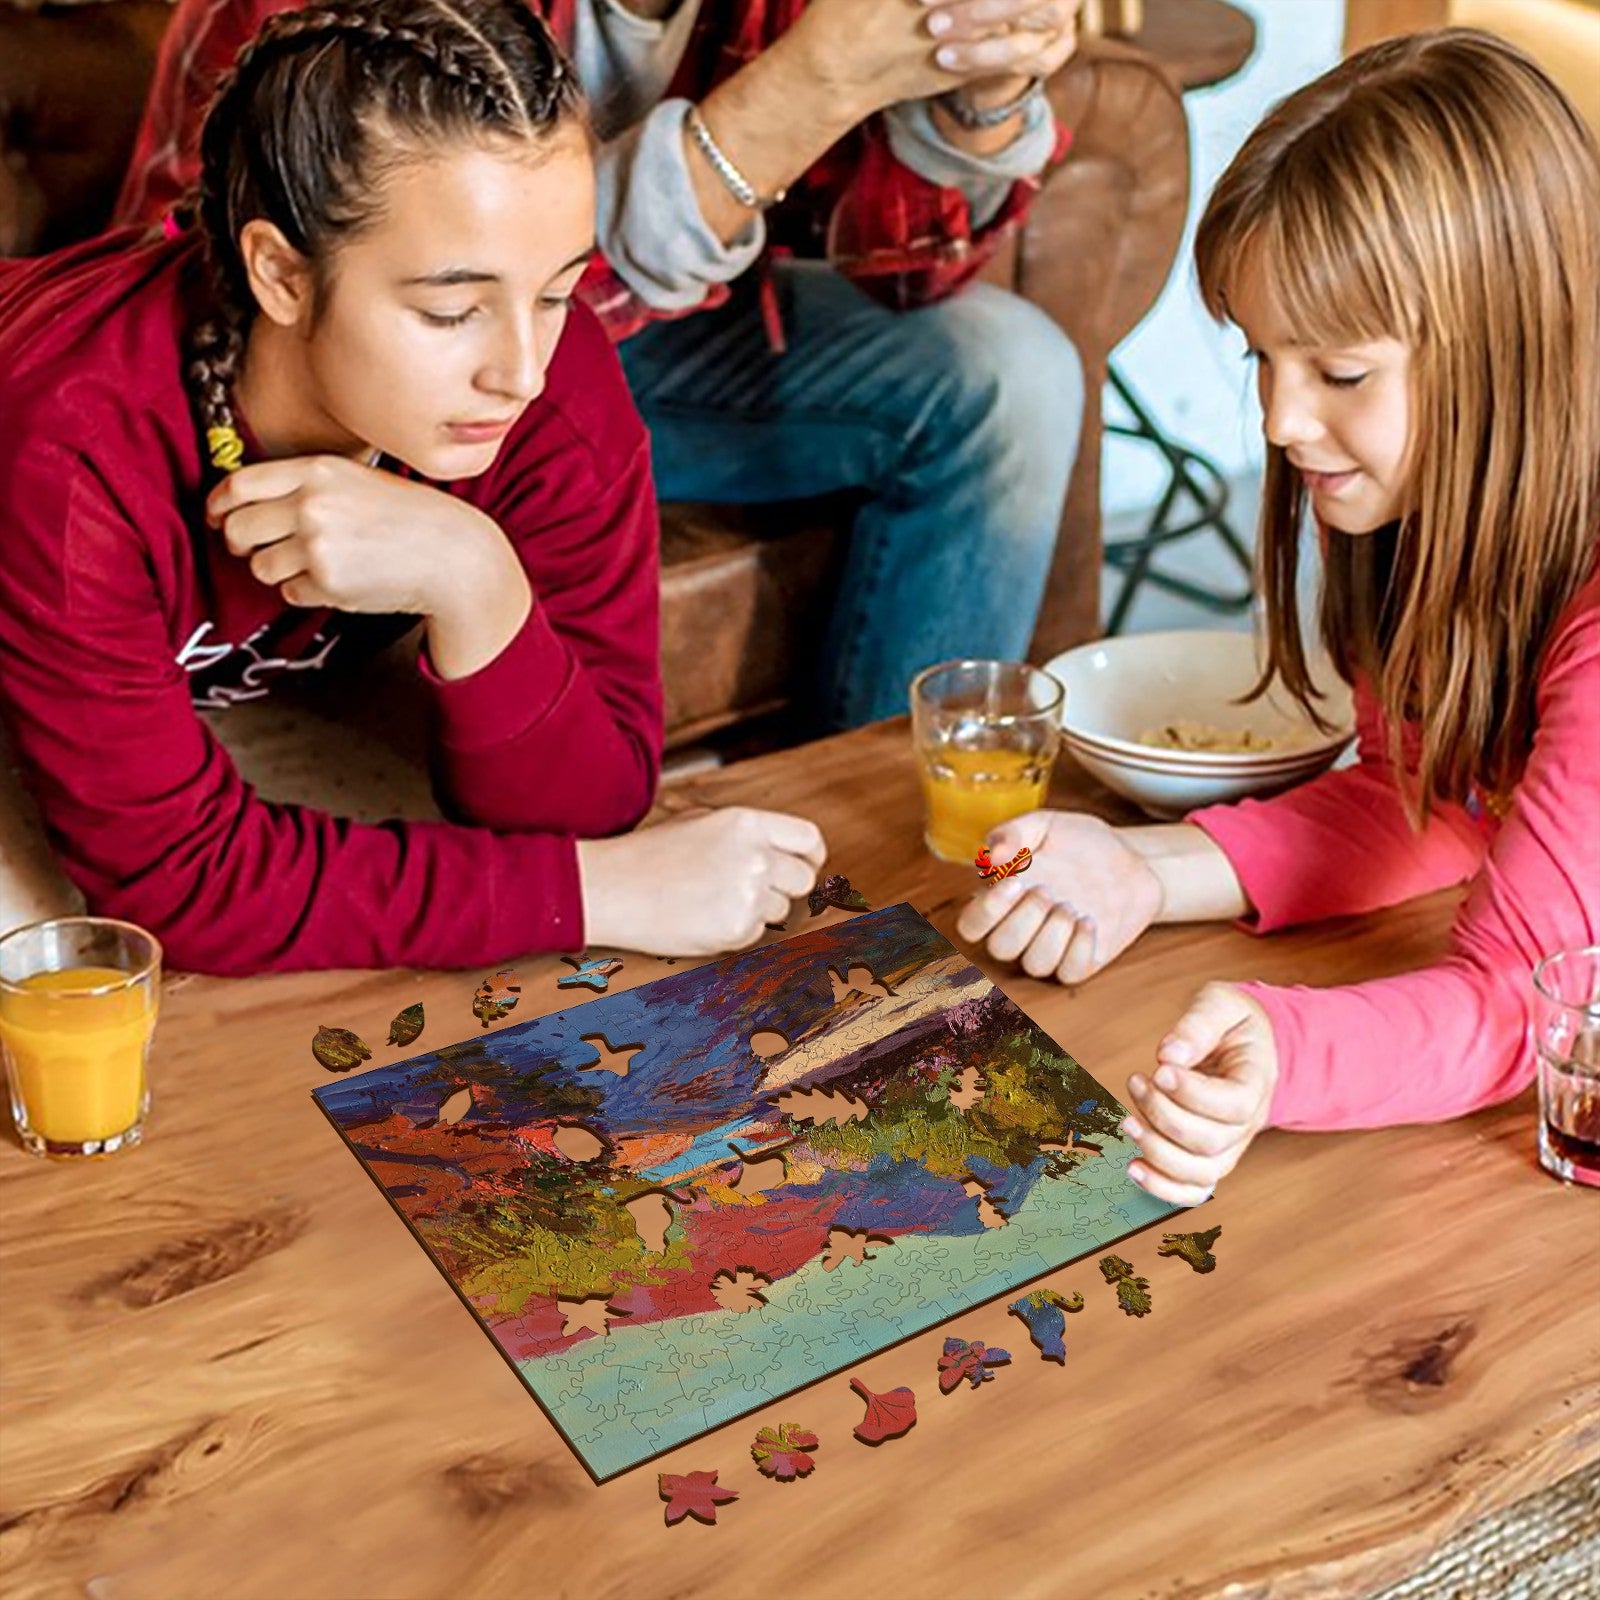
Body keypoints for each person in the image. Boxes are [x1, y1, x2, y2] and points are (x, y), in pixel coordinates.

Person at [0, 0, 824, 975]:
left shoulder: (549, 378)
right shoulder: (73, 443)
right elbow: (183, 887)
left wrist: (476, 579)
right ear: (280, 274)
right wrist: (605, 891)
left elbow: (596, 798)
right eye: (451, 310)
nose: (520, 368)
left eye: (555, 291)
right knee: (53, 966)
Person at [958, 28, 1600, 1204]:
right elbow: (1430, 797)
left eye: (1339, 373)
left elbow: (1532, 998)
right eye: (1262, 356)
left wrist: (1287, 1049)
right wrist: (1143, 870)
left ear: (1514, 350)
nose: (1276, 420)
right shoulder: (1425, 514)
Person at [113, 0, 1088, 734]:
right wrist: (808, 88)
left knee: (1008, 373)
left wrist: (978, 94)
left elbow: (914, 279)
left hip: (636, 327)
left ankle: (897, 848)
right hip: (341, 367)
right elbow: (242, 306)